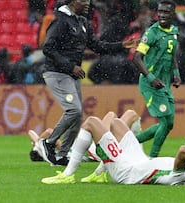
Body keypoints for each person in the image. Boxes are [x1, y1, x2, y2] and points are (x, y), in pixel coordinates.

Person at [38, 0, 137, 166]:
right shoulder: (60, 21)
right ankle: (48, 143)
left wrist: (121, 45)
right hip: (57, 73)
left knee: (77, 116)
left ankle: (62, 155)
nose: (87, 3)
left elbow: (97, 46)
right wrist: (70, 66)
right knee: (74, 110)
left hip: (70, 75)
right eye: (83, 0)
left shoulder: (82, 22)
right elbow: (47, 48)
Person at [41, 113, 185, 185]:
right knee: (115, 123)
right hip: (139, 159)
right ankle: (99, 171)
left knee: (91, 122)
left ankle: (68, 174)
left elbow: (183, 151)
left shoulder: (183, 177)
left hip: (125, 170)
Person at [132, 0, 181, 158]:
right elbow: (137, 58)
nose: (161, 15)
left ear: (173, 14)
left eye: (166, 12)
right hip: (150, 84)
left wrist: (176, 73)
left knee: (169, 124)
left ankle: (129, 143)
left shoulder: (174, 31)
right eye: (160, 11)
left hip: (164, 84)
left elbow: (172, 53)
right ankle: (152, 159)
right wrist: (151, 77)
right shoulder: (152, 33)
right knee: (165, 122)